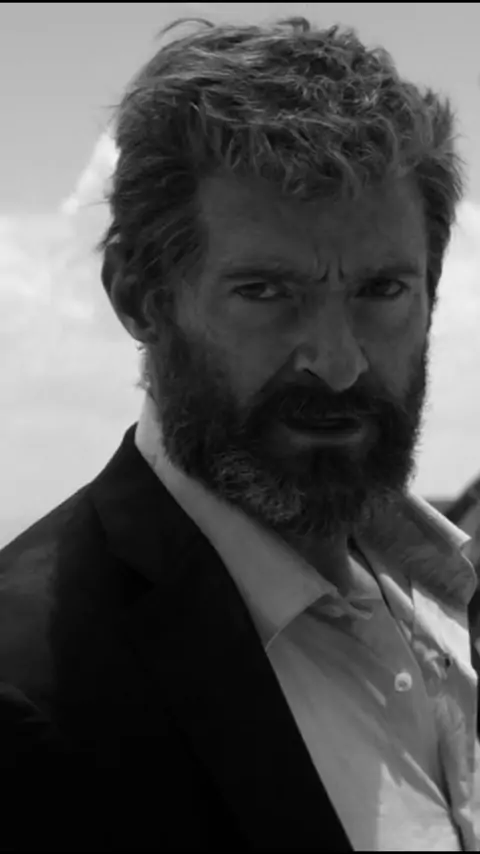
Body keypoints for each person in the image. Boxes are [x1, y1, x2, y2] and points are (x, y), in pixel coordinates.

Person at [1, 14, 479, 853]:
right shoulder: (29, 695)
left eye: (381, 290)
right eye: (266, 291)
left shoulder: (452, 600)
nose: (338, 363)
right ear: (139, 297)